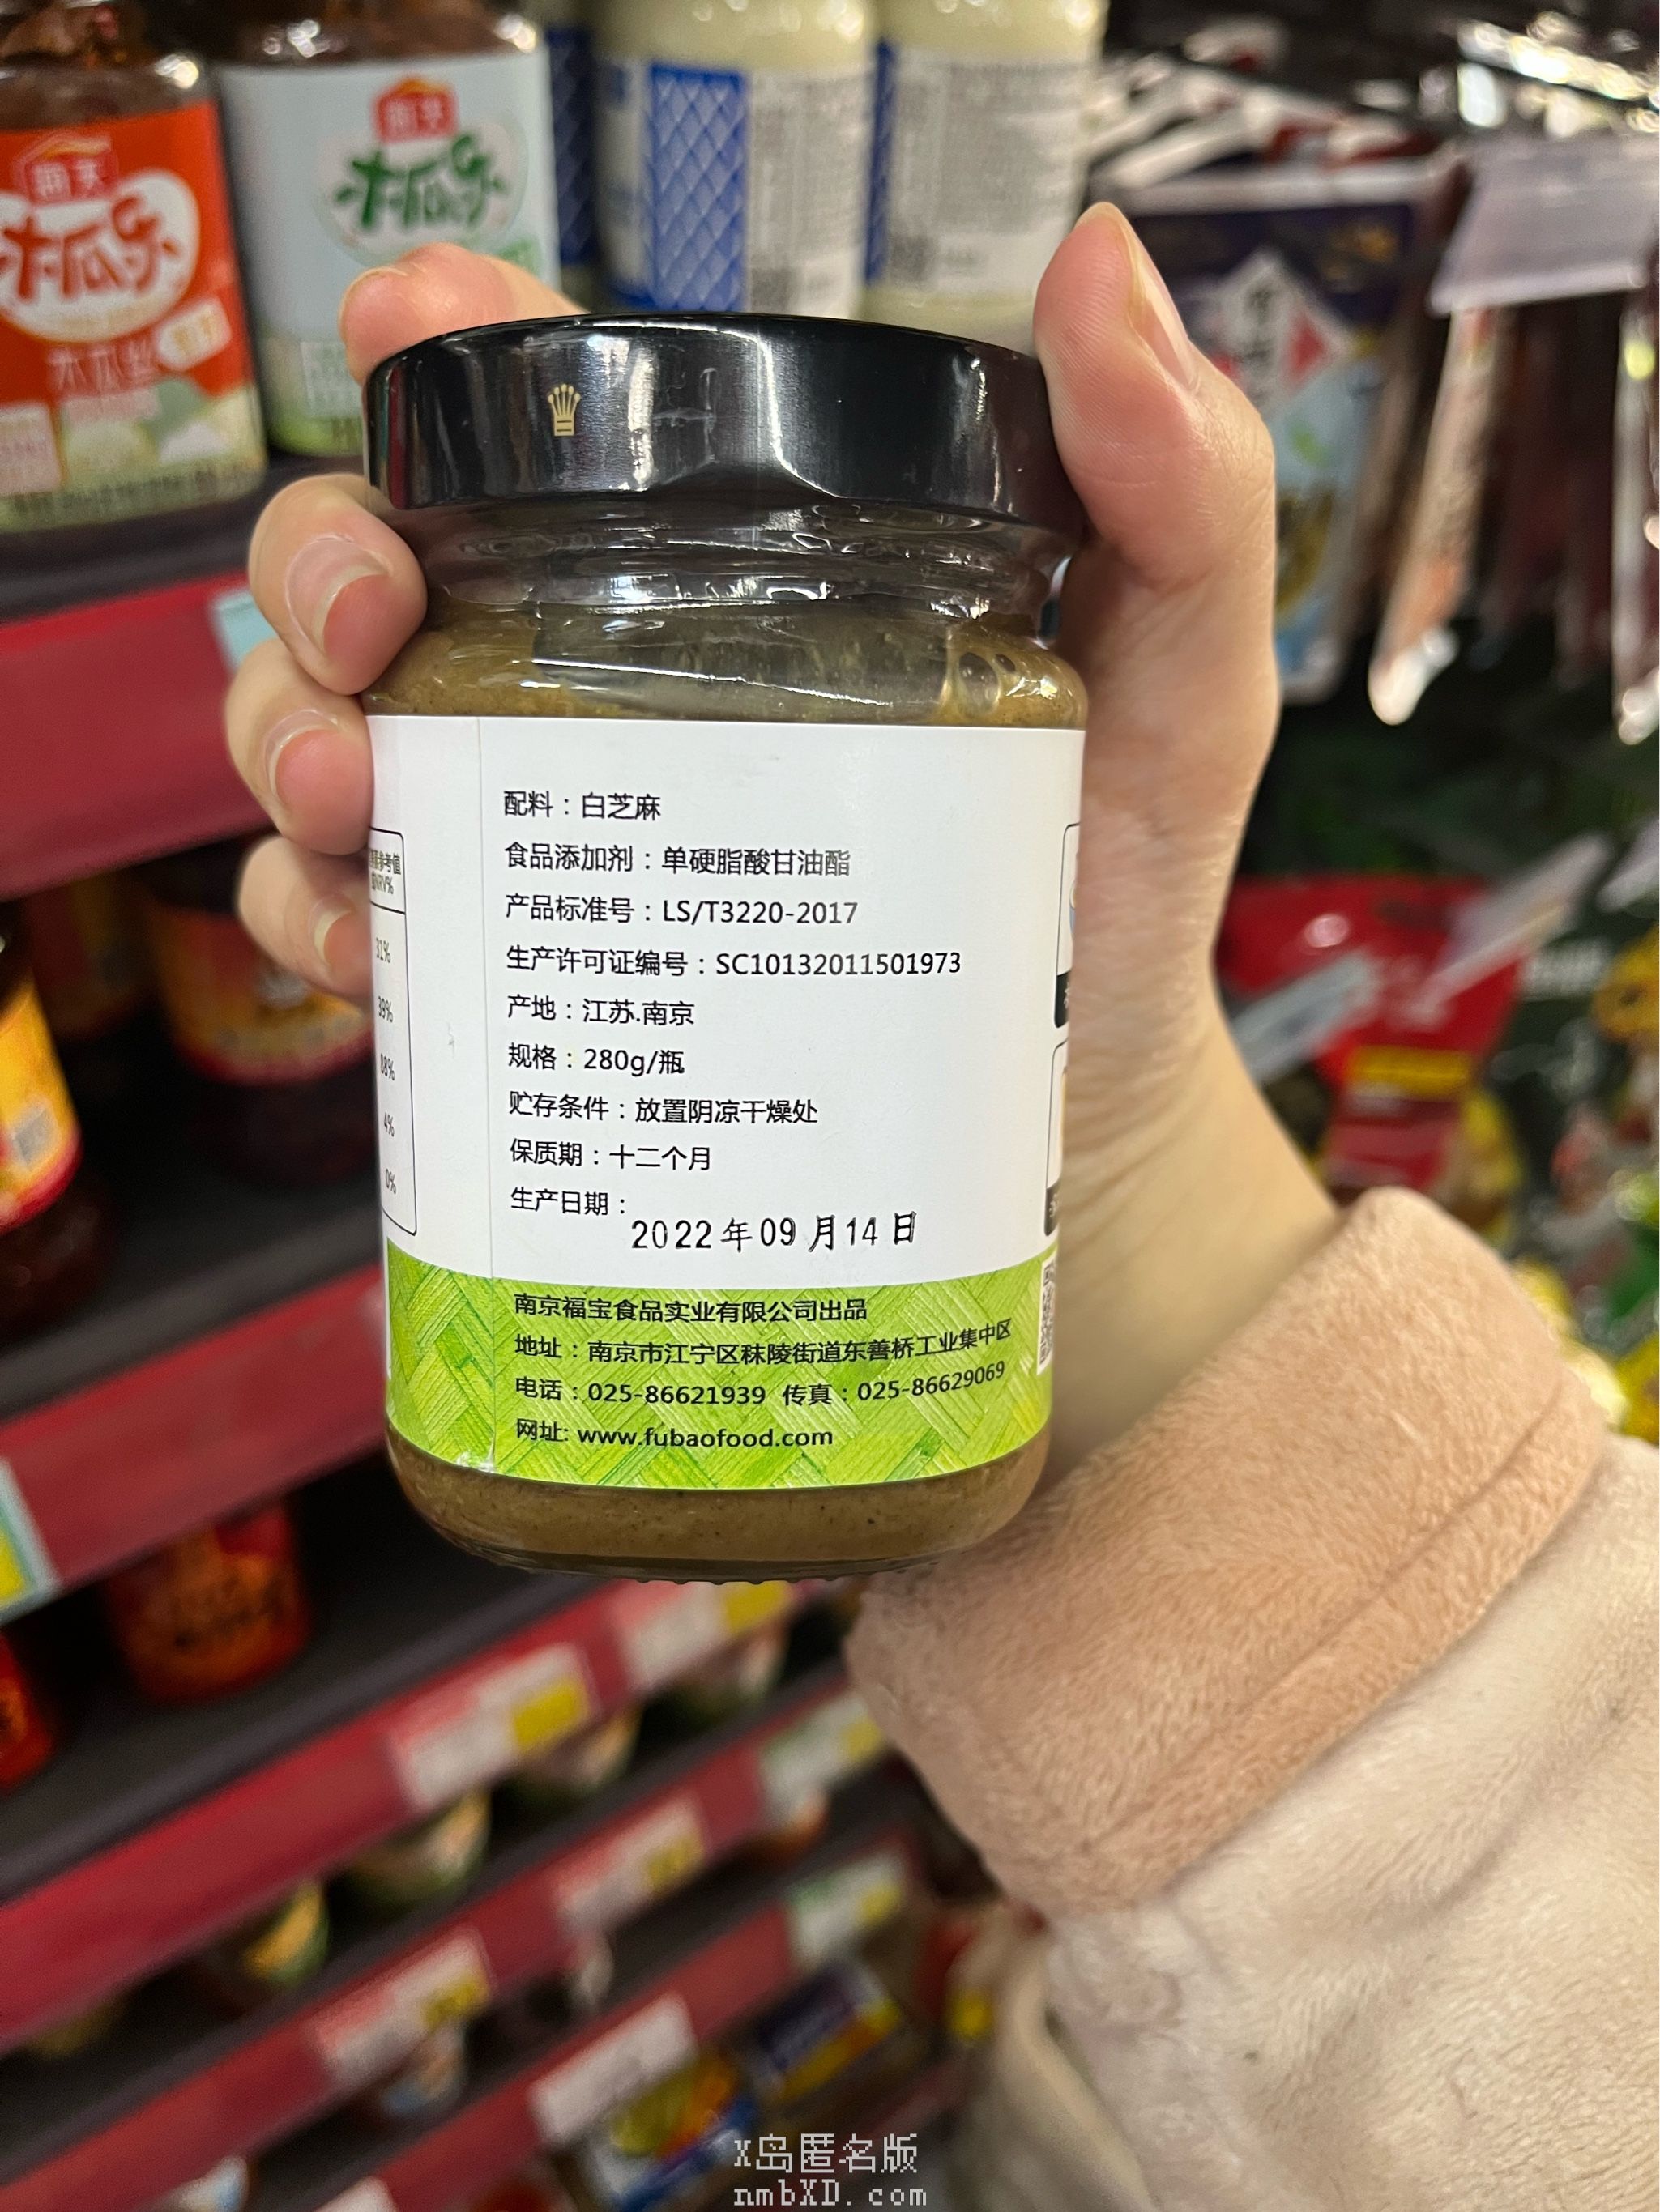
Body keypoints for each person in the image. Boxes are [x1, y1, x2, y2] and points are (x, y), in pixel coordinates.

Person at [225, 221, 1656, 2209]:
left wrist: (1114, 1176)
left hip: (831, 1395)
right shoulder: (518, 658)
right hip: (600, 1385)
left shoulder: (953, 674)